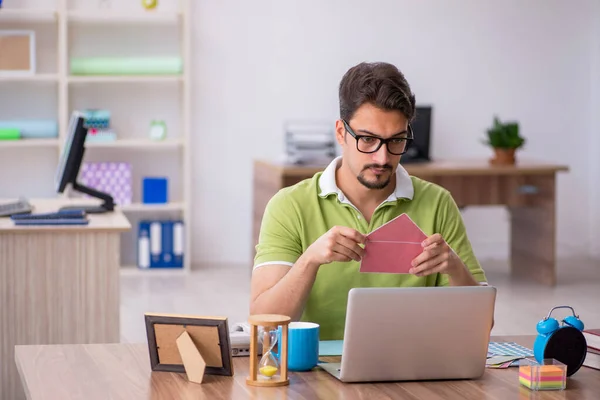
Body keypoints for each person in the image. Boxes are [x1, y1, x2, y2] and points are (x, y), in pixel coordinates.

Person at [250, 61, 488, 340]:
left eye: (396, 140)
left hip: (412, 369)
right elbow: (262, 326)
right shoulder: (289, 205)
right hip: (317, 373)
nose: (382, 157)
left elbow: (482, 326)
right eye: (367, 139)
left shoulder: (437, 203)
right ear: (341, 133)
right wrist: (309, 261)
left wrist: (455, 269)